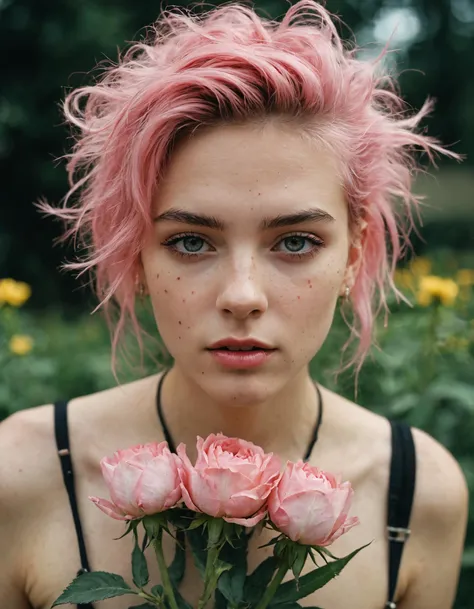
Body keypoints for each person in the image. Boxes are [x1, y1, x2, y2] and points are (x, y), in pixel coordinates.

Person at [0, 1, 468, 608]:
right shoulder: (23, 476)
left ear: (353, 254)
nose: (242, 296)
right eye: (190, 242)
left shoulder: (417, 492)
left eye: (296, 242)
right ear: (138, 256)